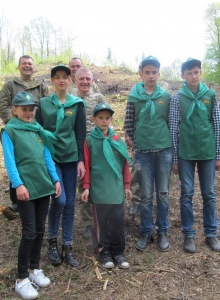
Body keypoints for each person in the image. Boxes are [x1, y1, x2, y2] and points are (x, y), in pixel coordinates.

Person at [0, 91, 61, 300]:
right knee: (29, 231)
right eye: (23, 109)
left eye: (30, 109)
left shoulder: (38, 130)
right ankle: (21, 278)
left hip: (43, 185)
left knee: (40, 229)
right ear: (14, 110)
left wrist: (55, 179)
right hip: (25, 188)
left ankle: (35, 269)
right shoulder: (9, 131)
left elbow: (47, 157)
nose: (28, 112)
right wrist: (18, 184)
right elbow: (9, 161)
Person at [168, 58, 220, 253]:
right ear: (183, 75)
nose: (193, 76)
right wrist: (175, 159)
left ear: (200, 73)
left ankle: (211, 233)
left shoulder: (210, 95)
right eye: (189, 72)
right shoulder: (177, 98)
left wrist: (219, 154)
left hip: (207, 152)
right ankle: (188, 235)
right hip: (185, 152)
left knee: (209, 194)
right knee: (187, 193)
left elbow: (217, 125)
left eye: (196, 72)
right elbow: (173, 128)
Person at [35, 64, 86, 268]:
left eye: (65, 76)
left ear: (70, 80)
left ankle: (67, 246)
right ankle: (52, 242)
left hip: (71, 158)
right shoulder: (44, 104)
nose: (62, 80)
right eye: (57, 77)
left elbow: (80, 134)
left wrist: (81, 159)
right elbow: (37, 131)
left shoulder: (77, 104)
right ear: (52, 81)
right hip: (52, 157)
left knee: (71, 202)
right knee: (60, 199)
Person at [124, 56, 172, 252]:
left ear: (159, 74)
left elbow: (171, 121)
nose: (151, 75)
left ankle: (162, 232)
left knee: (163, 193)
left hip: (163, 151)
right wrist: (134, 141)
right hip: (143, 153)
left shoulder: (166, 96)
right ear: (141, 74)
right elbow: (128, 122)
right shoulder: (134, 96)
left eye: (154, 72)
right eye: (147, 72)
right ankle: (145, 232)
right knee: (145, 196)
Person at [81, 103, 133, 269]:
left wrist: (126, 186)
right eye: (101, 118)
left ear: (111, 119)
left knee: (117, 222)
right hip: (99, 189)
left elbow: (125, 165)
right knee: (101, 223)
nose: (104, 121)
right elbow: (87, 166)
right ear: (94, 119)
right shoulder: (89, 141)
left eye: (107, 118)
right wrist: (86, 187)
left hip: (116, 189)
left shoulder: (118, 141)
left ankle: (118, 252)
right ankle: (104, 252)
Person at [0, 55, 49, 212]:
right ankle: (17, 200)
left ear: (34, 67)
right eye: (24, 64)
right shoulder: (10, 85)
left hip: (35, 130)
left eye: (30, 64)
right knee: (15, 161)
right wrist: (13, 124)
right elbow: (3, 104)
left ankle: (40, 193)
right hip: (16, 132)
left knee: (36, 161)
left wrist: (39, 126)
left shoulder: (41, 86)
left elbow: (47, 106)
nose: (27, 66)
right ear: (19, 67)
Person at [72, 67, 106, 239]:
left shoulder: (98, 98)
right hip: (78, 149)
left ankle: (101, 220)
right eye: (81, 79)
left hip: (97, 147)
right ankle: (87, 224)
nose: (85, 82)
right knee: (82, 185)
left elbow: (107, 120)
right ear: (75, 80)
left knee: (99, 184)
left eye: (88, 79)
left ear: (92, 81)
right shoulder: (71, 100)